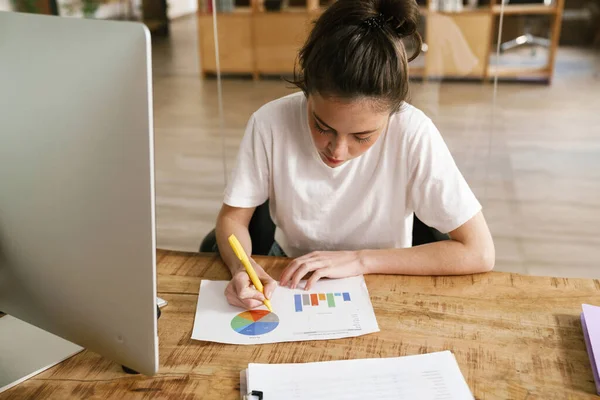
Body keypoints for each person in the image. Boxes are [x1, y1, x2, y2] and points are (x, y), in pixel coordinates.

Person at [216, 0, 495, 309]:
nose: (337, 150)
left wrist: (359, 260)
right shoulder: (269, 123)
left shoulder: (413, 133)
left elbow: (479, 251)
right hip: (290, 275)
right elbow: (232, 219)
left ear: (392, 113)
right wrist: (241, 267)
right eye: (322, 127)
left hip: (385, 275)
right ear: (307, 91)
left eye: (362, 137)